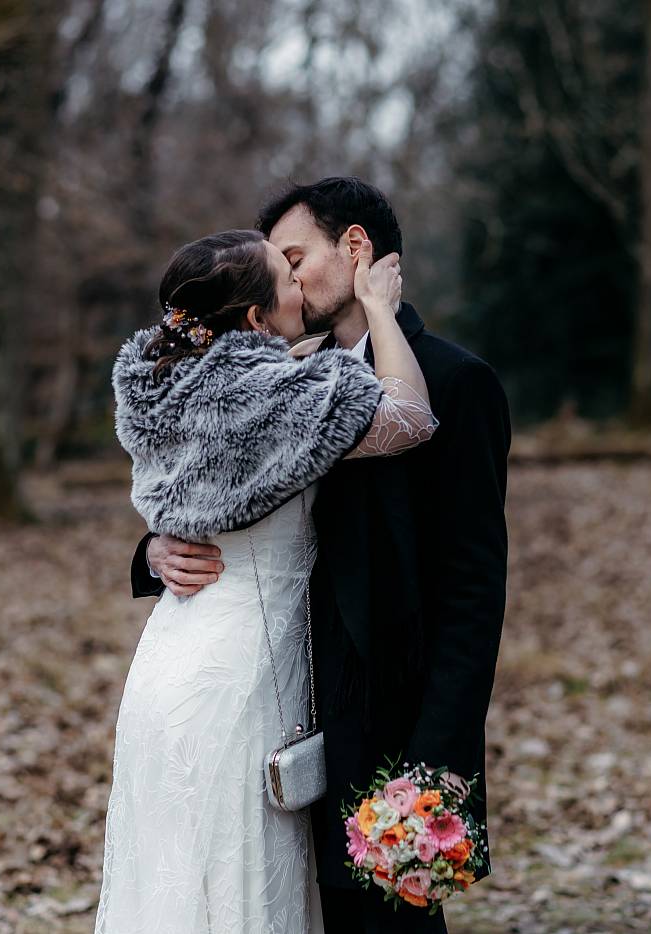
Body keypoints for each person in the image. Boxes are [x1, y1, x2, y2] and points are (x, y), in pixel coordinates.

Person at [132, 177, 511, 934]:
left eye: (294, 256)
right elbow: (203, 492)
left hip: (374, 736)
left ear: (357, 248)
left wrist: (434, 766)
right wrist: (153, 553)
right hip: (249, 720)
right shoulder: (271, 377)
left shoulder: (456, 383)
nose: (287, 279)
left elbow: (472, 591)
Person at [96, 225, 438, 933]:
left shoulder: (158, 386)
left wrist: (159, 544)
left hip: (167, 663)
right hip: (241, 677)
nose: (300, 287)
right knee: (244, 880)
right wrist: (377, 305)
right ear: (256, 318)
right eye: (286, 279)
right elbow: (408, 417)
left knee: (173, 877)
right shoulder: (281, 394)